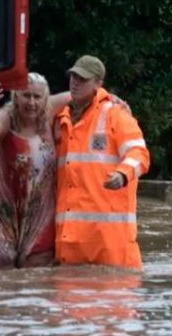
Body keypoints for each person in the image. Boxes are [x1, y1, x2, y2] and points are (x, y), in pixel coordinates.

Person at [53, 55, 150, 270]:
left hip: (110, 249)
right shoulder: (61, 119)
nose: (75, 83)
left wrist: (123, 174)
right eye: (73, 77)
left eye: (82, 79)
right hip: (70, 247)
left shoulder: (116, 115)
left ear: (98, 83)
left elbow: (139, 153)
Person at [0, 73, 70, 269]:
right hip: (1, 205)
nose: (31, 102)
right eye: (26, 96)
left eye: (37, 97)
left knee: (38, 265)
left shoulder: (49, 111)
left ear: (45, 99)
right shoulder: (7, 117)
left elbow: (80, 93)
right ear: (16, 97)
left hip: (39, 209)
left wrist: (112, 101)